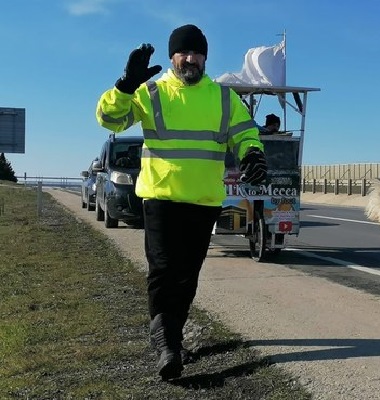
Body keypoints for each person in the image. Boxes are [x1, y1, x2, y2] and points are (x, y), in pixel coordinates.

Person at [95, 24, 267, 381]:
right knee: (163, 270)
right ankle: (167, 346)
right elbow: (108, 119)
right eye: (183, 53)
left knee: (187, 276)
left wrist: (253, 153)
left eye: (196, 53)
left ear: (205, 57)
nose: (190, 59)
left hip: (203, 201)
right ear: (173, 57)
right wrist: (125, 85)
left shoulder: (222, 97)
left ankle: (171, 336)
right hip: (161, 198)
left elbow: (246, 133)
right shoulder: (152, 92)